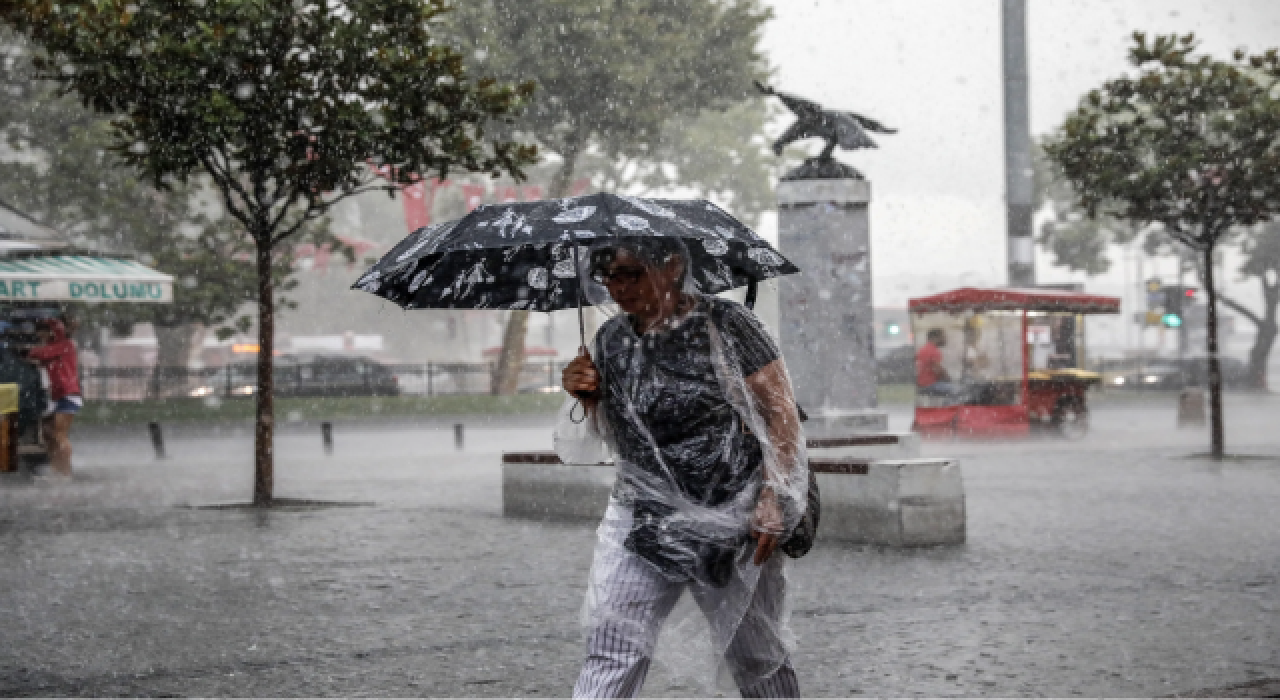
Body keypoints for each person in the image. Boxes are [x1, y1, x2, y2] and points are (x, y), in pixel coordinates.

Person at [559, 238, 807, 699]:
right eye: (607, 276)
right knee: (612, 645)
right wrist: (586, 395)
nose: (616, 288)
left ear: (672, 265)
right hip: (643, 518)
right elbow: (618, 434)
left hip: (733, 521)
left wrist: (775, 496)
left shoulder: (728, 325)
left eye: (629, 273)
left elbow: (780, 413)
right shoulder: (611, 340)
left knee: (757, 657)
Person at [28, 319, 81, 477]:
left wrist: (34, 352)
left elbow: (38, 353)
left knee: (59, 435)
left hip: (68, 394)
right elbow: (42, 358)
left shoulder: (65, 345)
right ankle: (56, 466)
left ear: (51, 332)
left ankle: (65, 471)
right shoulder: (56, 349)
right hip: (56, 395)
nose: (41, 339)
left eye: (42, 335)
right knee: (48, 433)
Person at [916, 328, 957, 396]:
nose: (945, 339)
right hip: (930, 385)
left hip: (922, 384)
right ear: (935, 338)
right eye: (943, 337)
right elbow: (938, 370)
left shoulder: (923, 349)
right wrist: (948, 378)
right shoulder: (934, 351)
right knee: (960, 389)